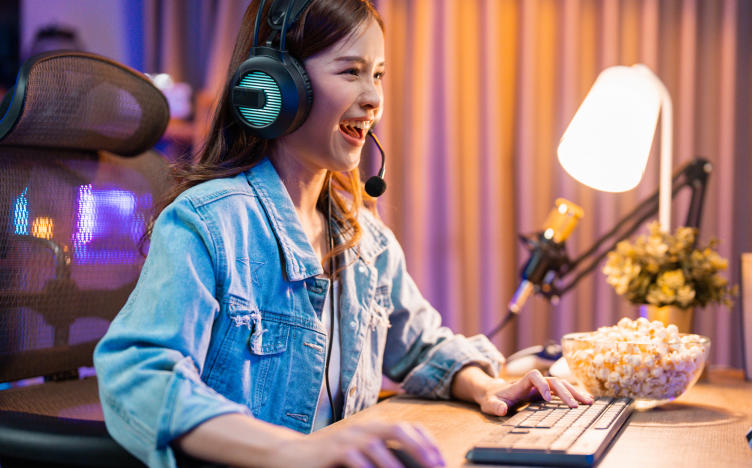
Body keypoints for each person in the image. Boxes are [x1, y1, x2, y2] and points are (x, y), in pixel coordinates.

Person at [93, 1, 594, 467]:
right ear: (276, 85)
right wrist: (295, 452)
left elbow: (422, 347)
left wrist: (486, 386)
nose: (373, 98)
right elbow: (141, 378)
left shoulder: (364, 240)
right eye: (351, 71)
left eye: (377, 74)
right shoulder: (208, 223)